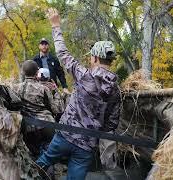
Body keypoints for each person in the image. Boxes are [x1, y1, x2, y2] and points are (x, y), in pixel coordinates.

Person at [36, 8, 121, 180]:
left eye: (91, 56)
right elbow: (111, 124)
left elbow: (62, 53)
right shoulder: (116, 91)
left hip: (65, 135)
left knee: (41, 164)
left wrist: (55, 25)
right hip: (87, 146)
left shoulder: (84, 75)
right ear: (110, 61)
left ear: (95, 58)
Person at [14, 60, 64, 156]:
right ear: (37, 72)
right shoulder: (43, 89)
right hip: (46, 126)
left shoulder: (16, 88)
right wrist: (56, 92)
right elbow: (57, 110)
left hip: (27, 128)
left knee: (34, 154)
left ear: (23, 72)